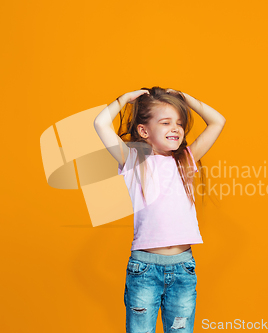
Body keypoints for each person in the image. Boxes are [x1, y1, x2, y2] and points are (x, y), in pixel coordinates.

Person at [93, 86, 226, 332]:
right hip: (144, 269)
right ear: (144, 131)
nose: (175, 128)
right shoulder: (133, 161)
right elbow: (100, 124)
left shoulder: (186, 160)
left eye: (179, 123)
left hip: (183, 268)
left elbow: (218, 121)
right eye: (165, 122)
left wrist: (186, 99)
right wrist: (124, 99)